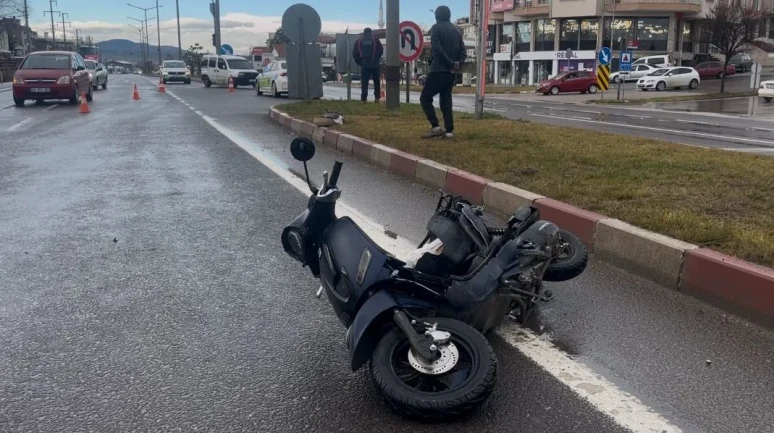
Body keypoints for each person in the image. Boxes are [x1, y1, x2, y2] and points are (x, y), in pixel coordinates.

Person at [421, 5, 466, 139]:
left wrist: (449, 63)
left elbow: (438, 50)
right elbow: (463, 52)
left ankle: (435, 126)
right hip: (450, 73)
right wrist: (456, 64)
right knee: (446, 99)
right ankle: (449, 131)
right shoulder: (456, 30)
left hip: (438, 70)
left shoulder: (436, 28)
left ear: (437, 16)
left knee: (425, 97)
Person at [352, 27, 384, 103]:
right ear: (371, 32)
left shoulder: (359, 41)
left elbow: (355, 53)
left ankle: (363, 98)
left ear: (364, 32)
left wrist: (360, 62)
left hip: (364, 65)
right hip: (375, 65)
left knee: (364, 82)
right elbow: (380, 50)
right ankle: (377, 97)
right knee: (376, 82)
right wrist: (376, 59)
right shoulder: (375, 40)